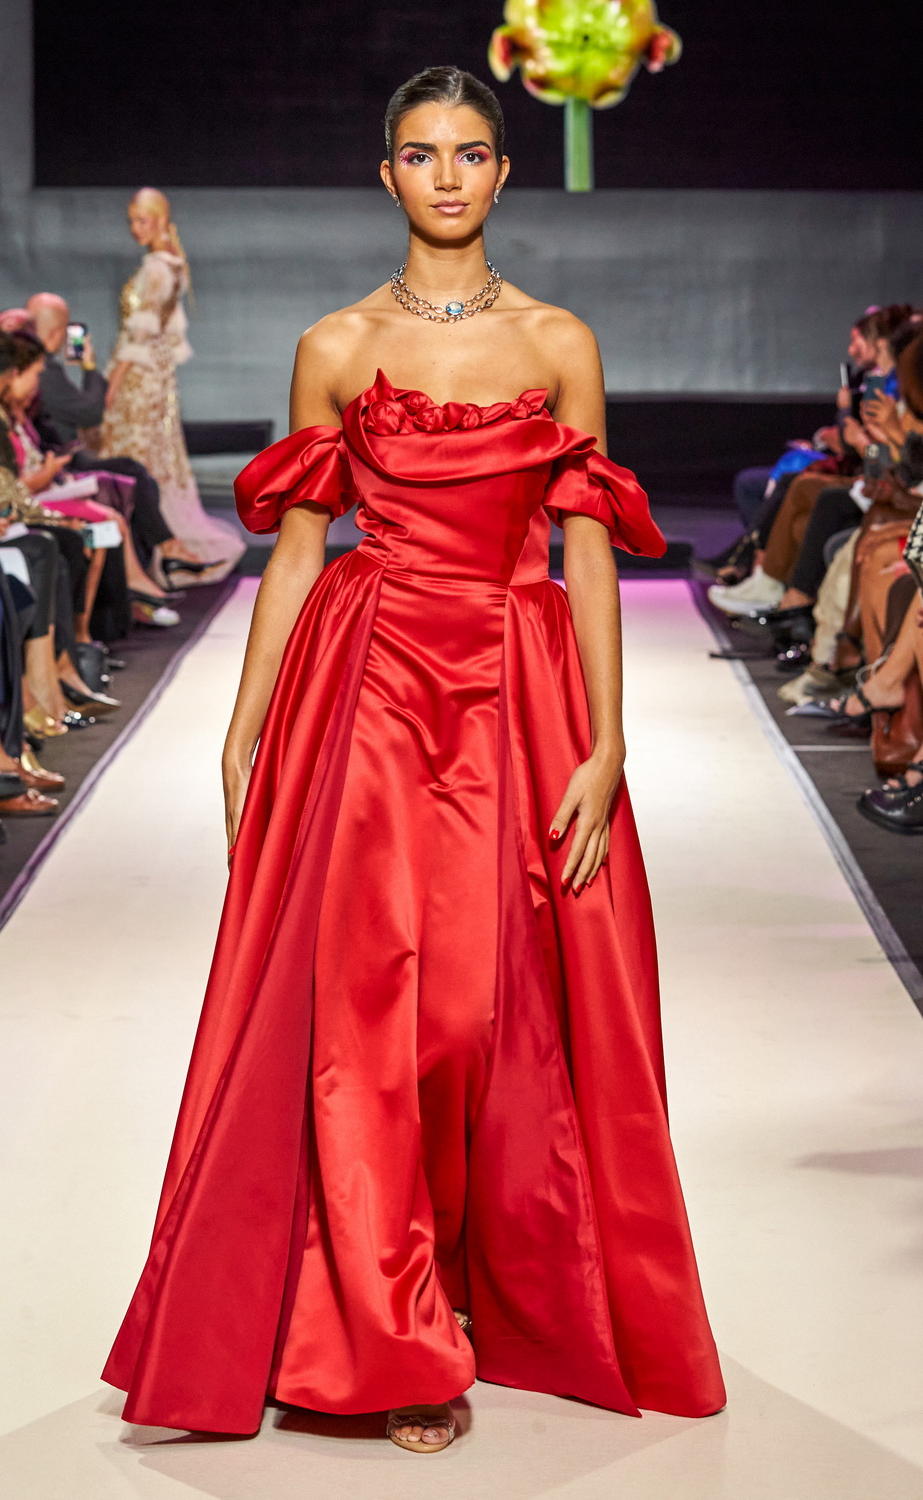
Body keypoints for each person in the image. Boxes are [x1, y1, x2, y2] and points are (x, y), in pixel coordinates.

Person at [103, 68, 725, 1452]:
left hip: (516, 685)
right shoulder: (335, 345)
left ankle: (487, 1288)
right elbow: (298, 549)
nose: (447, 176)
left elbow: (585, 550)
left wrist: (609, 738)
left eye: (471, 153)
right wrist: (244, 721)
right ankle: (393, 1333)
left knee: (492, 1013)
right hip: (373, 686)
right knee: (371, 1012)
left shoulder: (560, 341)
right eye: (422, 154)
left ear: (503, 171)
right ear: (386, 173)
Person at [94, 189, 245, 583]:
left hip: (139, 377)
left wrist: (111, 383)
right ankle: (149, 548)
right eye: (131, 221)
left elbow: (140, 334)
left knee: (135, 454)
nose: (135, 229)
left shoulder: (158, 269)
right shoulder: (172, 263)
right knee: (150, 455)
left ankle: (146, 549)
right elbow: (168, 333)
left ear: (161, 219)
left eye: (142, 220)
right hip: (155, 376)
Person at [25, 291, 203, 602]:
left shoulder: (43, 369)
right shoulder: (43, 370)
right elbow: (89, 412)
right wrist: (89, 367)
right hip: (56, 465)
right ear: (56, 333)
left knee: (132, 479)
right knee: (130, 480)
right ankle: (158, 560)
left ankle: (156, 563)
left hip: (58, 460)